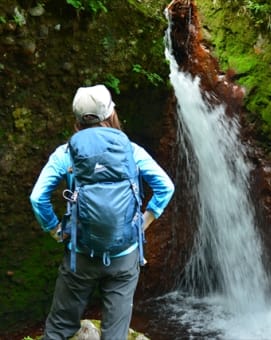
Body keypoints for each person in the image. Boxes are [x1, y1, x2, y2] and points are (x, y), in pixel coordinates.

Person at [30, 84, 175, 340]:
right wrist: (145, 221)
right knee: (115, 334)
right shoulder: (132, 151)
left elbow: (37, 197)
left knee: (59, 328)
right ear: (111, 113)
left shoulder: (66, 154)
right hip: (125, 256)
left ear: (76, 119)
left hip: (81, 255)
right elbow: (165, 186)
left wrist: (55, 230)